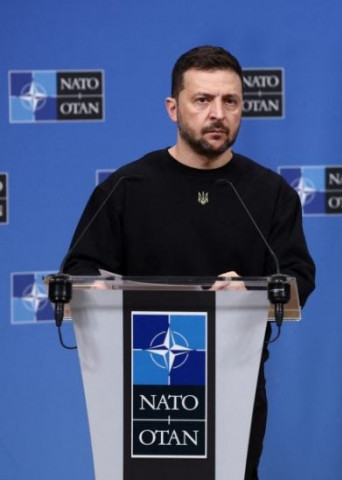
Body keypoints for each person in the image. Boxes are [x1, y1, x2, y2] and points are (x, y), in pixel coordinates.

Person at [63, 45, 315, 478]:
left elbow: (296, 279)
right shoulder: (126, 188)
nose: (218, 113)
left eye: (230, 101)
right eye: (203, 100)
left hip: (234, 383)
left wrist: (251, 291)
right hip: (145, 385)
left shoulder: (271, 194)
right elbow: (78, 270)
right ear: (173, 108)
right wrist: (95, 293)